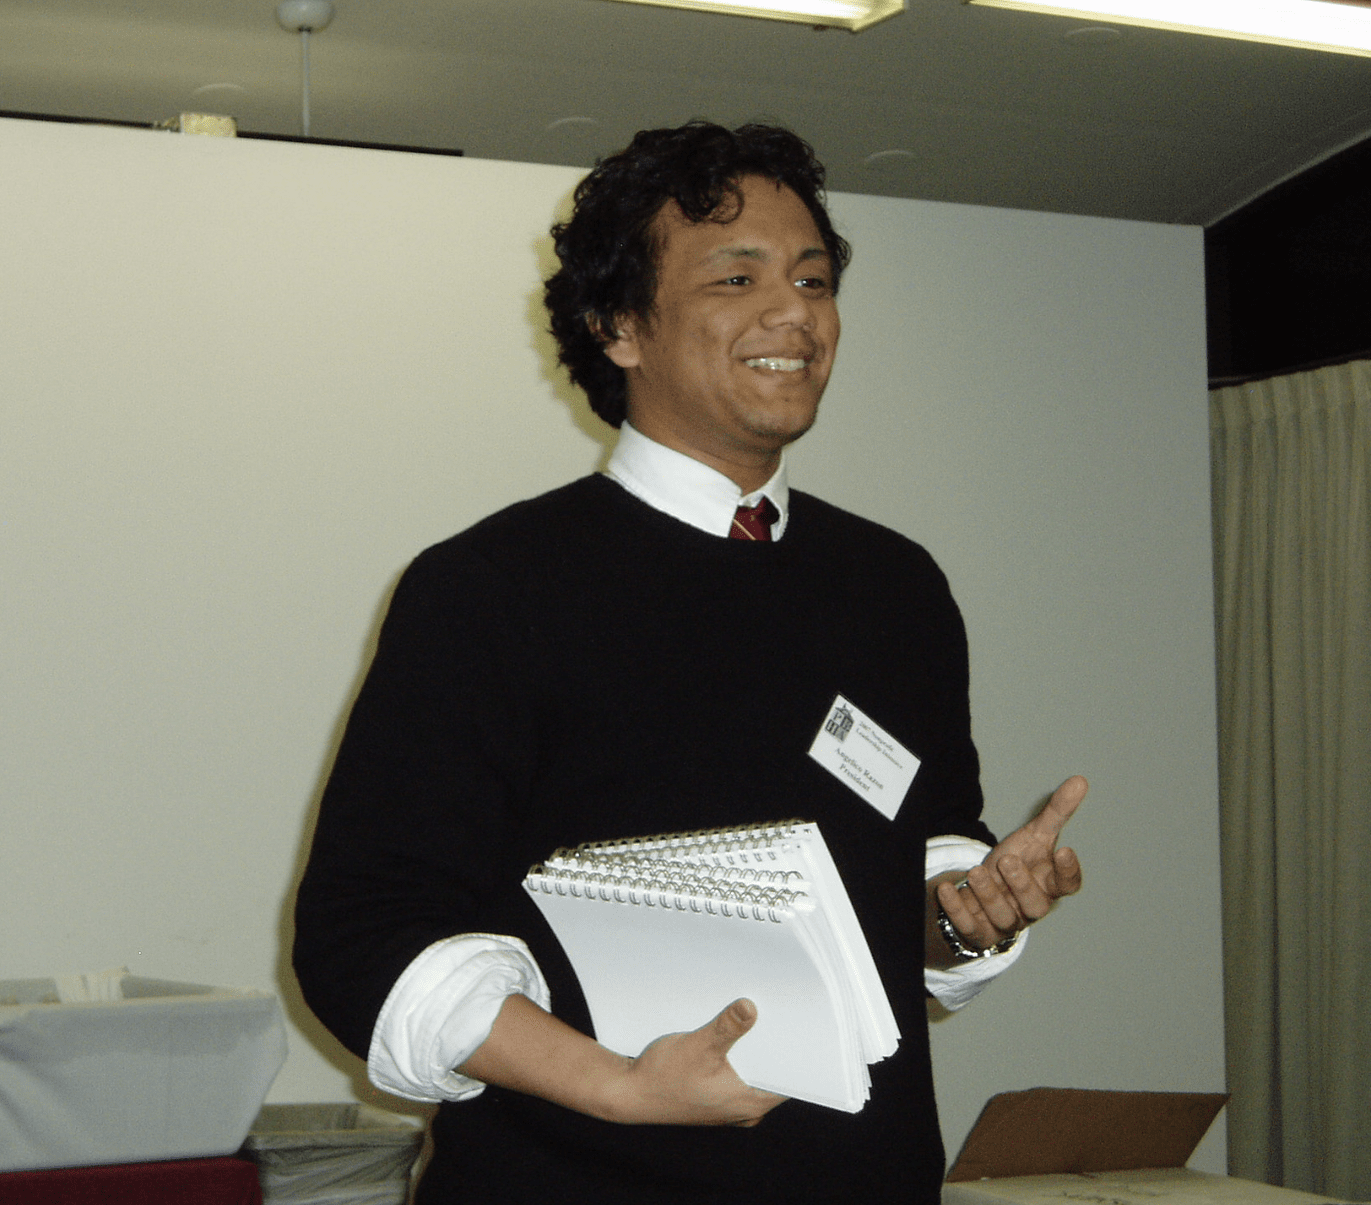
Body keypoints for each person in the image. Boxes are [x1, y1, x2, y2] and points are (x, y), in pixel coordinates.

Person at [292, 120, 1085, 1204]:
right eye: (737, 278)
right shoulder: (490, 588)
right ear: (619, 324)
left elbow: (912, 863)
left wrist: (965, 909)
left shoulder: (895, 587)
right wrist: (619, 1084)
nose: (794, 312)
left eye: (814, 279)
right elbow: (362, 934)